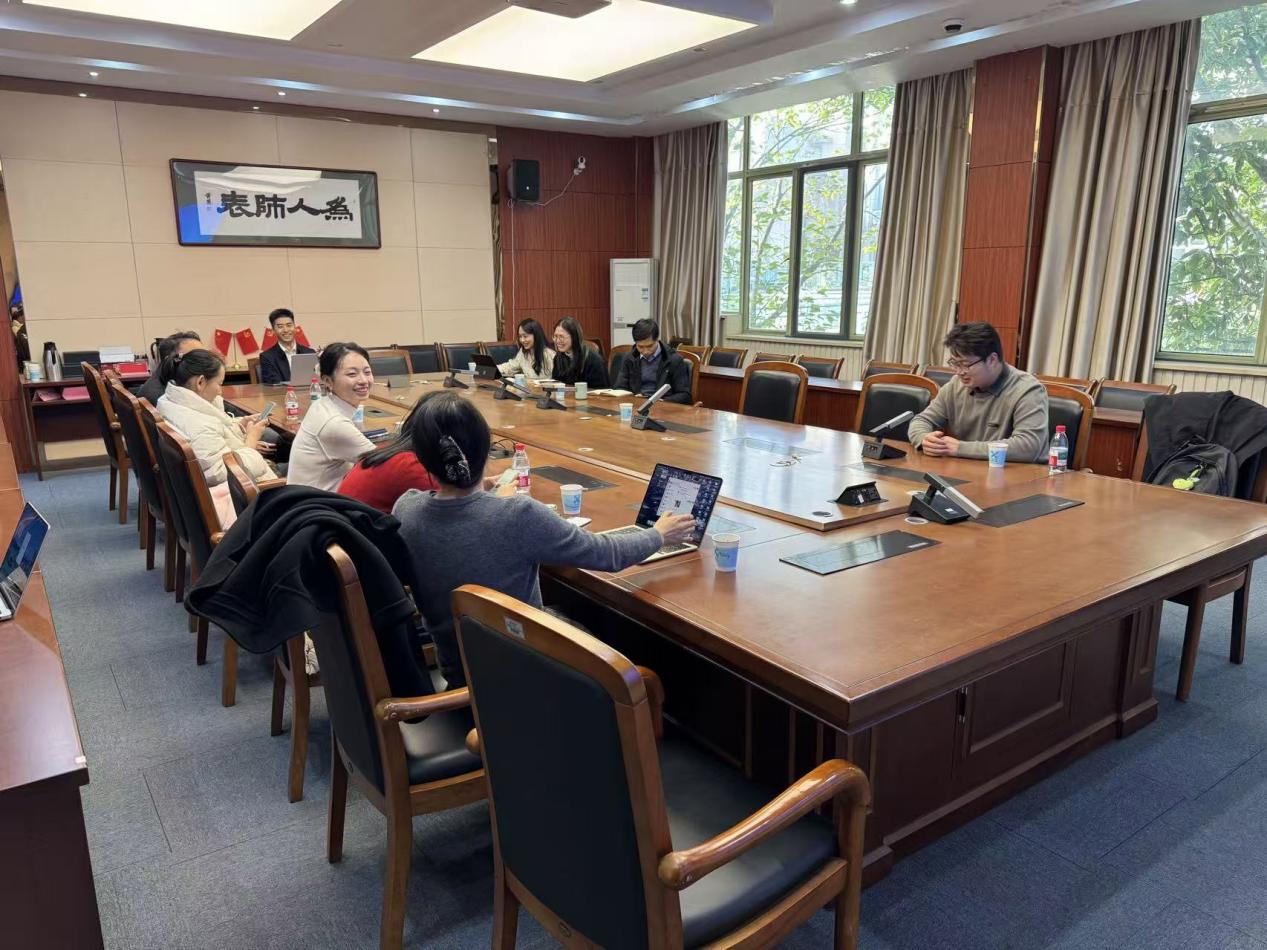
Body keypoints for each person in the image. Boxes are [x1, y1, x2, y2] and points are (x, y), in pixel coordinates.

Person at [392, 392, 695, 685]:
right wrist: (659, 534)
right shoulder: (516, 514)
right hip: (531, 678)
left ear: (422, 458)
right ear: (486, 447)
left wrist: (484, 492)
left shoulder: (406, 509)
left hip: (459, 673)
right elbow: (607, 554)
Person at [155, 348, 275, 527]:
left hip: (200, 497)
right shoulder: (198, 425)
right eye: (219, 384)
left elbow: (215, 434)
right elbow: (221, 473)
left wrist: (240, 424)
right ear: (200, 382)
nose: (220, 391)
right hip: (237, 504)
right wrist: (251, 439)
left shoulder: (170, 402)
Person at [906, 322, 1049, 463]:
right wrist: (924, 439)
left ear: (992, 360)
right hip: (968, 470)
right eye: (955, 363)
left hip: (1020, 474)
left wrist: (960, 448)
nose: (959, 372)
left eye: (966, 364)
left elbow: (1028, 446)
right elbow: (922, 420)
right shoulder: (956, 385)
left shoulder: (1027, 390)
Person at [287, 342, 376, 491]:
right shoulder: (334, 424)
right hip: (318, 503)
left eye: (367, 372)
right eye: (352, 374)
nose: (363, 381)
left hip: (307, 498)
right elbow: (386, 464)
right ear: (328, 381)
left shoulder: (321, 404)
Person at [337, 397, 440, 513]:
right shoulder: (411, 466)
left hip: (344, 518)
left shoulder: (389, 449)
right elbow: (447, 505)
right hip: (358, 523)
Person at [613, 317, 692, 404]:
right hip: (636, 405)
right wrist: (633, 398)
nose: (645, 351)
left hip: (663, 406)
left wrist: (663, 401)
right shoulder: (629, 358)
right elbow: (620, 388)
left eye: (650, 346)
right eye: (640, 347)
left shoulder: (674, 360)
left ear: (657, 339)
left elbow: (684, 395)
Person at [139, 331, 202, 405]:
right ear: (171, 359)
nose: (205, 360)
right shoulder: (162, 398)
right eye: (194, 357)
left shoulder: (164, 378)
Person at [257, 308, 315, 385]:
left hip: (307, 392)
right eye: (280, 327)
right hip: (282, 392)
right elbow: (274, 383)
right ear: (273, 331)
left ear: (295, 327)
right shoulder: (267, 357)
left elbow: (315, 380)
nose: (286, 330)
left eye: (289, 325)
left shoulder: (309, 353)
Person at [551, 316, 608, 390]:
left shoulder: (593, 360)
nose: (557, 341)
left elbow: (601, 390)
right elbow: (556, 384)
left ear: (574, 337)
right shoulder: (558, 357)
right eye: (555, 336)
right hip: (566, 396)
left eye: (561, 337)